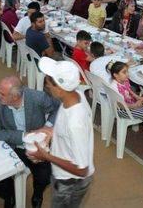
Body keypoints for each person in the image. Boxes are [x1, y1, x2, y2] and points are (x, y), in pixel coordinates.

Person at [28, 59, 94, 207]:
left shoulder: (75, 123)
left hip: (70, 183)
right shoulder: (76, 95)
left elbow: (82, 169)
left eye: (49, 84)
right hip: (65, 177)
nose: (46, 86)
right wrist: (50, 131)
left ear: (60, 89)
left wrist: (45, 156)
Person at [0, 76, 59, 208]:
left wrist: (47, 127)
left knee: (45, 176)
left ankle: (37, 194)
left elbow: (58, 108)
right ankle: (10, 195)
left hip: (35, 147)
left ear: (15, 97)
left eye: (3, 94)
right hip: (12, 146)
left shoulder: (38, 98)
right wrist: (23, 135)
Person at [107, 61, 143, 140]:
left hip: (130, 104)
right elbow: (120, 105)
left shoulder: (124, 80)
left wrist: (138, 98)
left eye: (127, 71)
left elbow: (129, 91)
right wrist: (135, 106)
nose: (127, 74)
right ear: (115, 75)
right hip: (122, 110)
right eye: (124, 72)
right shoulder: (114, 87)